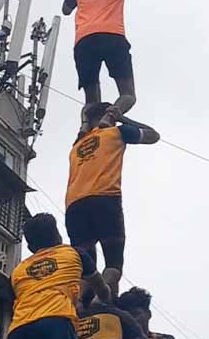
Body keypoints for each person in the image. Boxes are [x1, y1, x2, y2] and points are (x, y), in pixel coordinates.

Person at [65, 103, 160, 296]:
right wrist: (122, 118)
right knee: (114, 262)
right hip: (105, 199)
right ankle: (100, 301)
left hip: (74, 206)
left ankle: (79, 306)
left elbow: (83, 130)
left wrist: (85, 123)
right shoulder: (117, 132)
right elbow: (153, 135)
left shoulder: (76, 147)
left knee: (86, 266)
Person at [62, 0, 162, 127]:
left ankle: (86, 127)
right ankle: (110, 116)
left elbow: (65, 9)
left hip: (83, 41)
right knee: (128, 95)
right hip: (112, 36)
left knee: (91, 99)